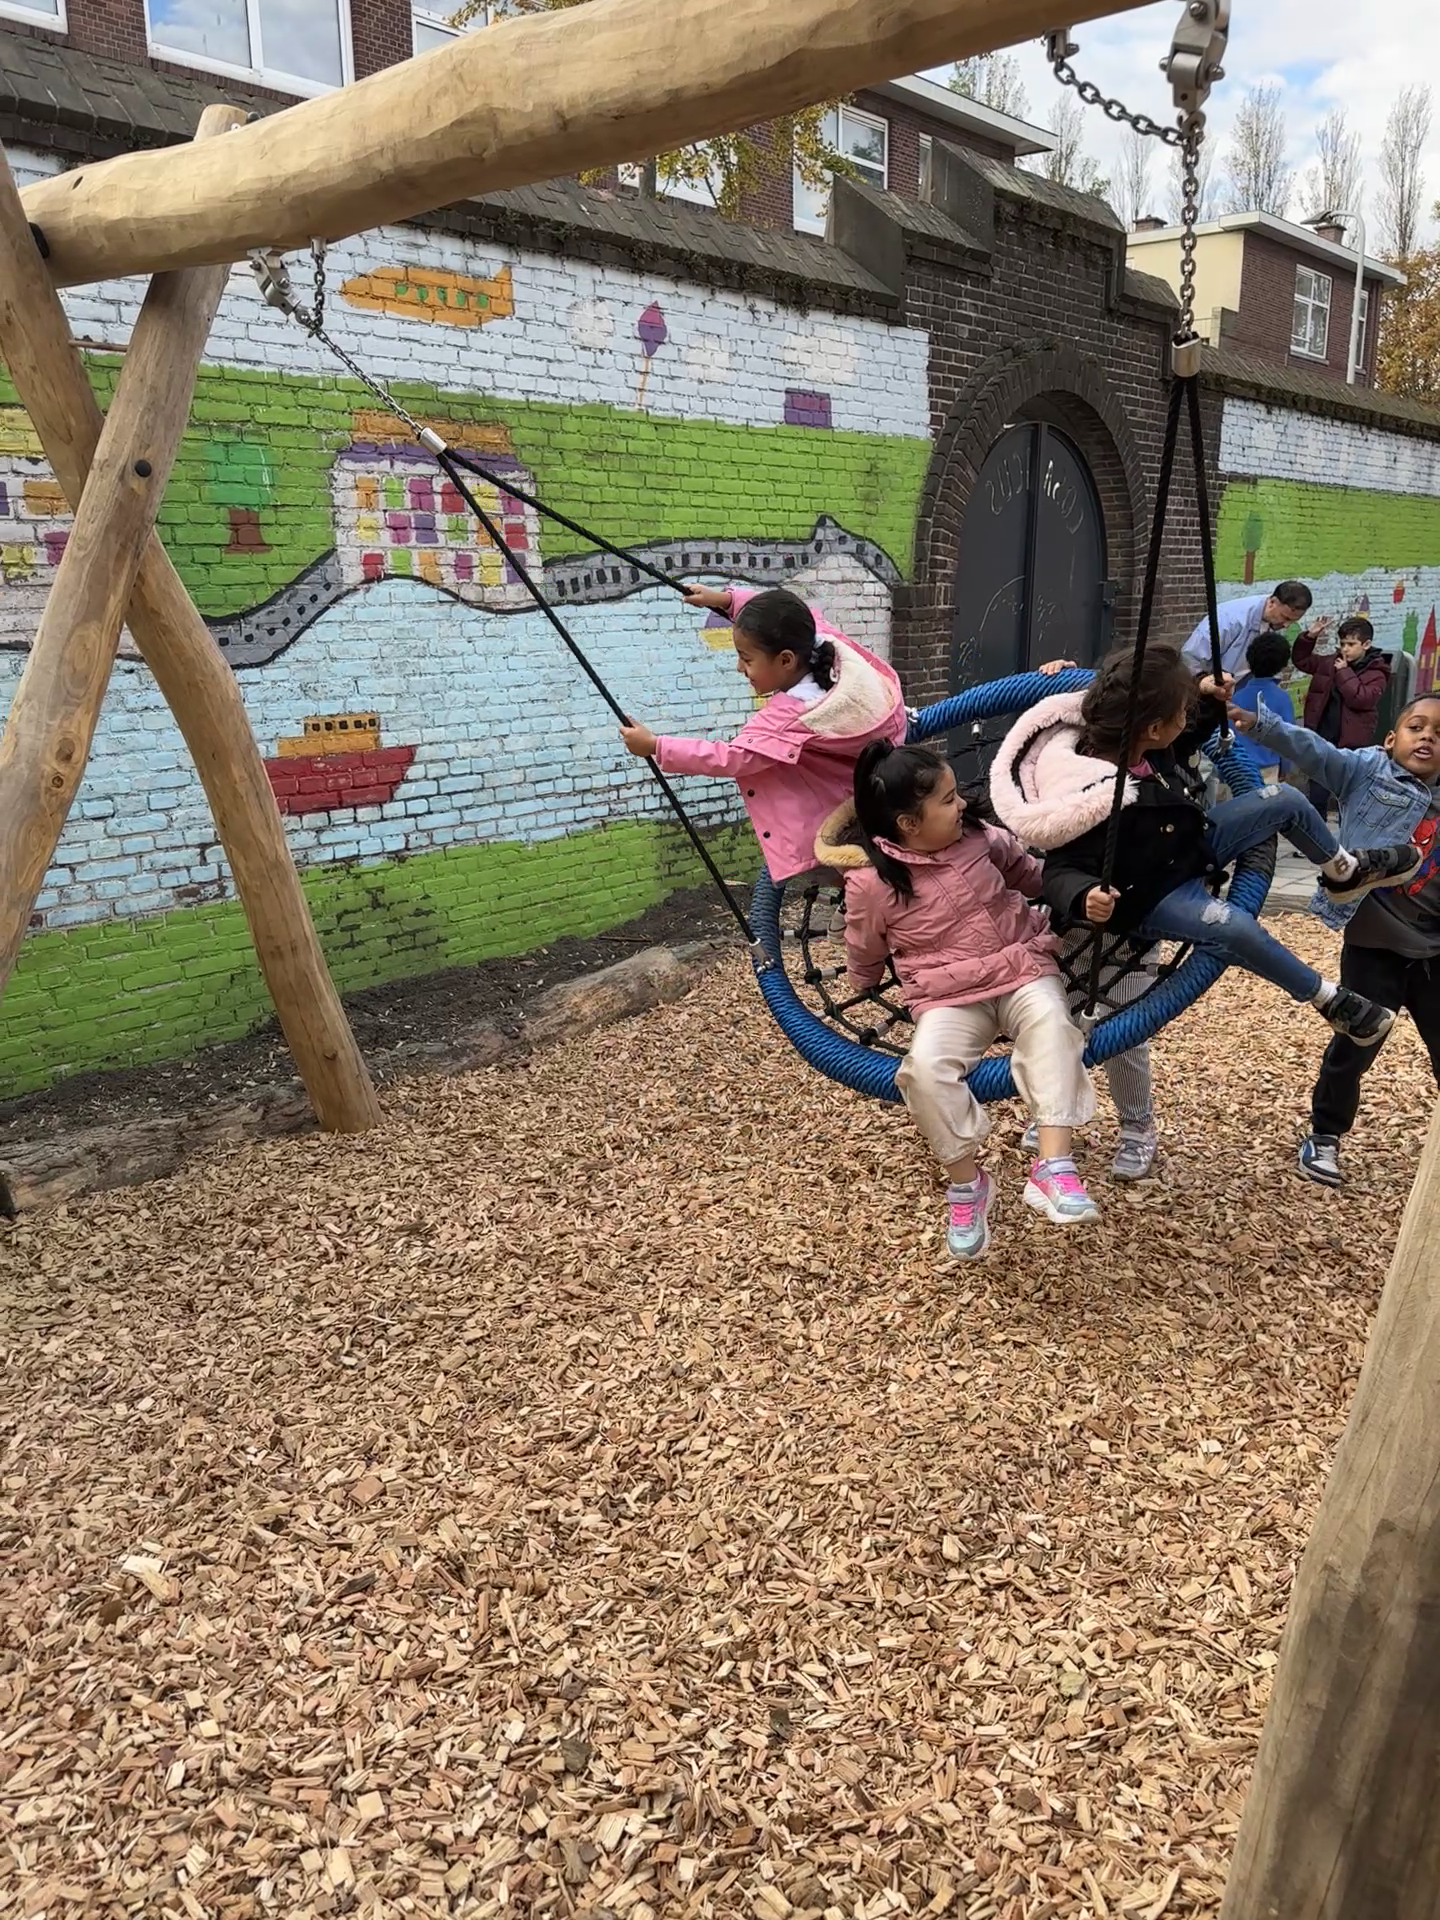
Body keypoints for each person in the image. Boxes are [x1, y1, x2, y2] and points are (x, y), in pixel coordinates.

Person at [988, 643, 1419, 1051]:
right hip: (1151, 895)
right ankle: (1328, 998)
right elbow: (1058, 870)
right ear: (1155, 727)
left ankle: (1342, 870)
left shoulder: (1139, 740)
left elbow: (1185, 735)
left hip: (1191, 843)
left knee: (1284, 799)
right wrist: (1084, 896)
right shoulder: (1085, 795)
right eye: (1182, 709)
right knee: (1229, 926)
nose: (1186, 715)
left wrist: (1207, 698)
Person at [823, 741, 1099, 1262]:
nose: (963, 806)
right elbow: (865, 943)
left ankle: (1054, 1168)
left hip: (1021, 965)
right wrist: (862, 981)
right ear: (908, 823)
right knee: (923, 1072)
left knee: (1055, 1030)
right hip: (949, 997)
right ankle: (968, 1186)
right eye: (948, 800)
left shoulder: (978, 838)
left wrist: (1081, 892)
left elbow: (1029, 873)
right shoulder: (873, 882)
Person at [1230, 692, 1440, 1188]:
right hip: (1375, 948)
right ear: (1391, 740)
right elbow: (1313, 751)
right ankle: (1325, 1136)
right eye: (1417, 726)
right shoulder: (1368, 771)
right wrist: (1256, 723)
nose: (1428, 735)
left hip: (1434, 951)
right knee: (1354, 1045)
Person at [620, 584, 906, 882]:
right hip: (876, 779)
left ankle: (845, 924)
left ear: (785, 660)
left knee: (852, 888)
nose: (739, 668)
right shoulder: (823, 644)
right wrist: (725, 600)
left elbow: (731, 758)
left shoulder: (791, 716)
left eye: (747, 658)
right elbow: (789, 611)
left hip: (842, 823)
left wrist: (656, 746)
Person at [1292, 615, 1392, 819]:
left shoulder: (1377, 672)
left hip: (1351, 743)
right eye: (1342, 643)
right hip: (1322, 736)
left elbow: (1361, 699)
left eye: (1351, 644)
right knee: (1317, 792)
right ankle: (1316, 840)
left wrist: (1344, 673)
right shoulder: (1331, 663)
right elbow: (1302, 661)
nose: (1345, 649)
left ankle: (1347, 841)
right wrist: (1309, 637)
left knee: (1346, 795)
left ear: (1366, 644)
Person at [1181, 579, 1315, 680]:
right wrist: (1204, 684)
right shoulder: (1230, 619)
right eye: (1285, 618)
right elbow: (1190, 657)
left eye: (1293, 621)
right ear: (1272, 602)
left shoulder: (1272, 618)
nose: (1286, 625)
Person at [1229, 630, 1295, 783]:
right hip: (1269, 770)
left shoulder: (1235, 698)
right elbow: (1287, 739)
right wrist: (1285, 768)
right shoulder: (1282, 699)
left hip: (1239, 770)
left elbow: (1228, 737)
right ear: (1282, 665)